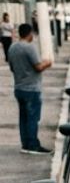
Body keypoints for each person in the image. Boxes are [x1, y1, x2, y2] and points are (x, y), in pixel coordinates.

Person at [9, 23, 52, 154]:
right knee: (33, 117)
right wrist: (47, 63)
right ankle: (33, 144)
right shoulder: (29, 48)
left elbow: (12, 68)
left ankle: (25, 143)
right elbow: (38, 67)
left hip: (19, 87)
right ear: (29, 34)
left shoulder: (12, 47)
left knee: (23, 117)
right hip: (32, 88)